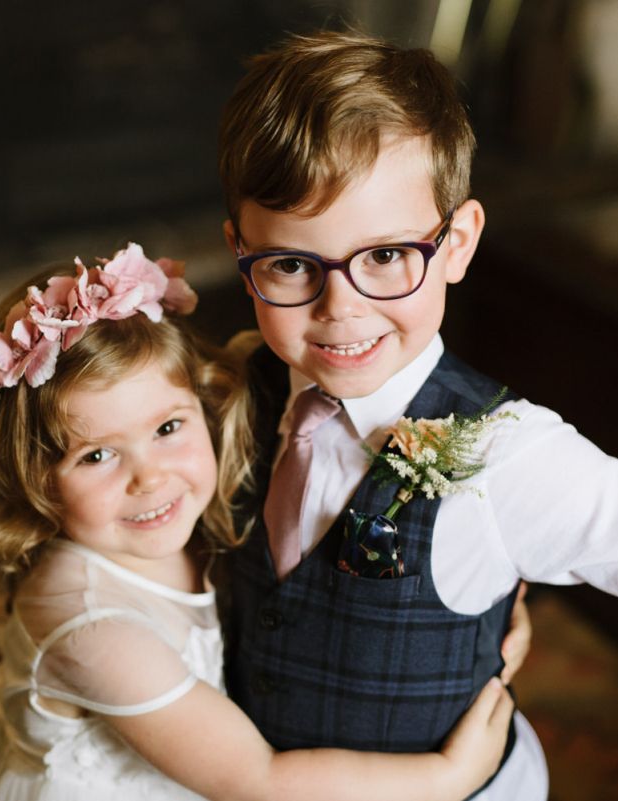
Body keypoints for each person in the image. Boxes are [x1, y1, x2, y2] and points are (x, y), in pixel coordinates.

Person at [0, 243, 515, 801]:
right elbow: (256, 781)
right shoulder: (91, 628)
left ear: (206, 402)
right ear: (31, 477)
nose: (150, 478)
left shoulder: (175, 505)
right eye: (97, 456)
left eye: (166, 429)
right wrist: (449, 779)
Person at [214, 29, 618, 801]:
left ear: (455, 243)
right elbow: (103, 412)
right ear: (242, 253)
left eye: (385, 256)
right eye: (293, 264)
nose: (341, 309)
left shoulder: (507, 457)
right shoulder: (241, 381)